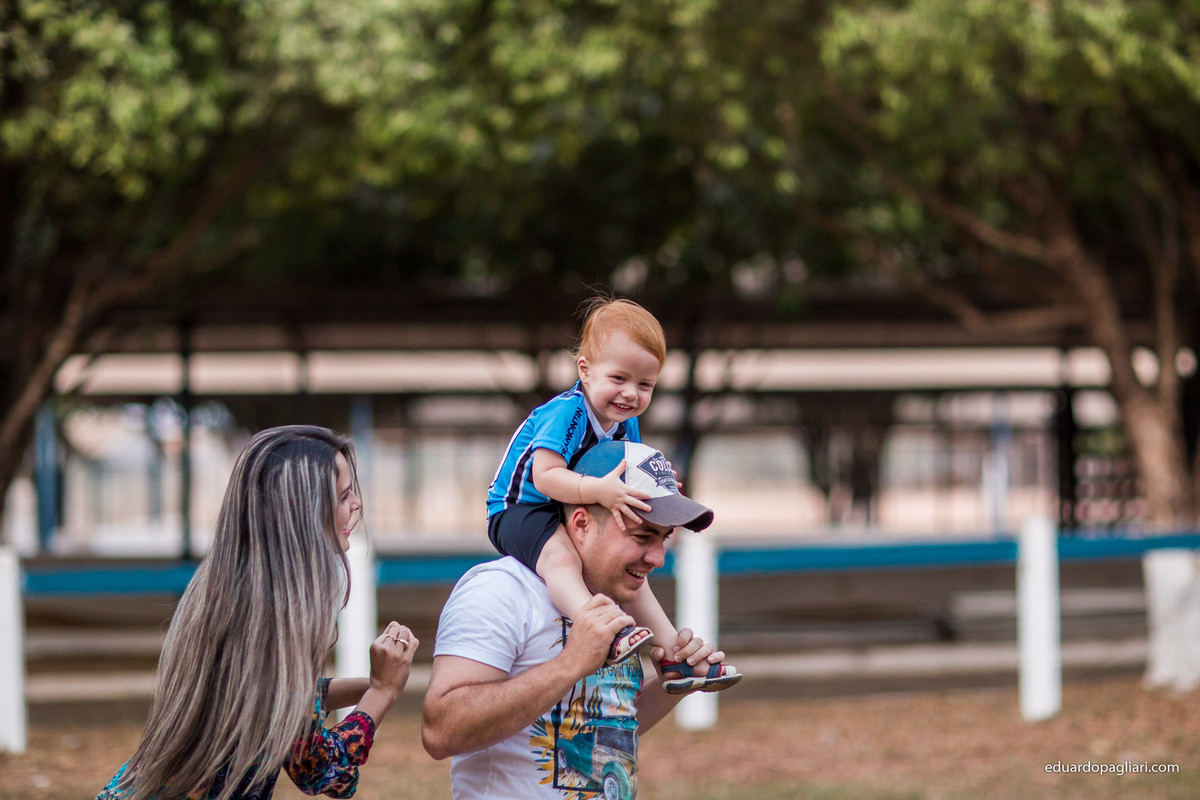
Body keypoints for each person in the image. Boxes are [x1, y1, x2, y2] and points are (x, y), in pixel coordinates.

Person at [96, 425, 419, 800]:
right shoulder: (277, 626)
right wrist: (382, 692)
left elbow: (283, 701)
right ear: (304, 513)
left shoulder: (228, 589)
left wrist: (374, 682)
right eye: (345, 495)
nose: (357, 504)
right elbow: (319, 770)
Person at [424, 439, 739, 799]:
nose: (657, 558)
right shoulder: (501, 590)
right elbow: (440, 731)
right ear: (581, 523)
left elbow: (601, 730)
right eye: (642, 536)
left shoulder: (617, 596)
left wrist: (673, 684)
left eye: (665, 539)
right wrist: (570, 664)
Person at [486, 296, 734, 690]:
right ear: (585, 370)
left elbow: (629, 470)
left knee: (629, 570)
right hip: (520, 508)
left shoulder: (625, 424)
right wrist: (598, 490)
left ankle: (674, 656)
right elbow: (546, 476)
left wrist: (659, 479)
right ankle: (600, 626)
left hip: (572, 507)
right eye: (618, 379)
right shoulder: (566, 412)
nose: (630, 394)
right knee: (560, 557)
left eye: (645, 384)